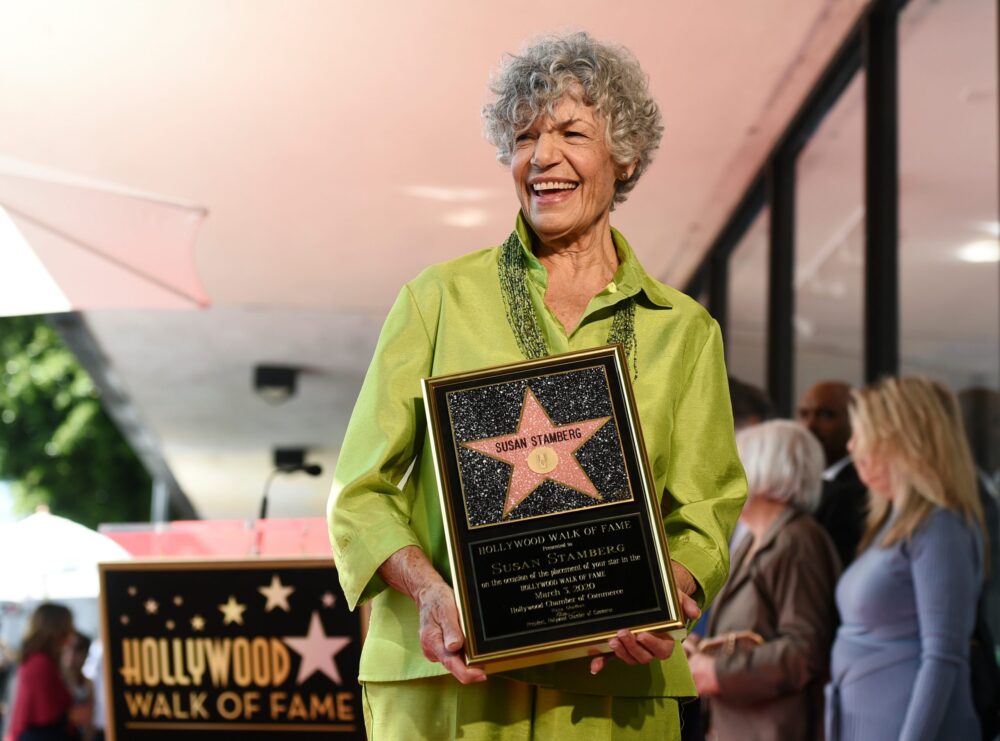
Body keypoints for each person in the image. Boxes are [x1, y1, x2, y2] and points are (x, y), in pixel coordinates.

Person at [329, 31, 747, 739]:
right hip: (450, 682)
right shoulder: (436, 300)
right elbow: (359, 491)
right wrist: (428, 592)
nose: (542, 157)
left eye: (571, 133)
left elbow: (707, 509)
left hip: (611, 690)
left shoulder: (685, 331)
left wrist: (672, 588)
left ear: (625, 155)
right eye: (524, 136)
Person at [825, 377, 985, 740]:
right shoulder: (895, 521)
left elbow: (944, 655)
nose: (851, 446)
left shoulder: (940, 527)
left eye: (861, 433)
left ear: (899, 439)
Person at [685, 420, 840, 740]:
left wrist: (717, 672)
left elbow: (803, 650)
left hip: (776, 728)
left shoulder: (797, 540)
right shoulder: (751, 540)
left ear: (765, 471)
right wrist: (702, 650)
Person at [797, 380, 867, 567]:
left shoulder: (856, 490)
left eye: (825, 415)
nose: (810, 426)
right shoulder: (803, 483)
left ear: (855, 422)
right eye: (803, 414)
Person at [4, 603, 77, 741]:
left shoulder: (40, 660)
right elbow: (47, 714)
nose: (72, 633)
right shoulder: (40, 663)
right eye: (69, 626)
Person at [61, 634, 93, 741]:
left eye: (77, 651)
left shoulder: (88, 684)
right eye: (68, 649)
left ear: (86, 655)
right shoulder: (57, 681)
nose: (71, 655)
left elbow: (90, 721)